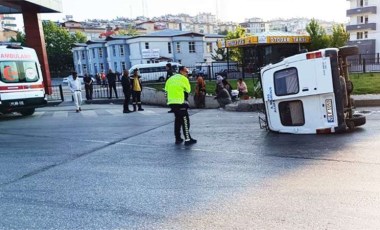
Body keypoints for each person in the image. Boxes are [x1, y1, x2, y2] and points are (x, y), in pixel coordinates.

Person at [165, 66, 197, 145]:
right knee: (185, 121)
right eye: (186, 71)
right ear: (181, 71)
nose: (187, 73)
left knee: (178, 120)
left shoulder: (170, 79)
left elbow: (166, 90)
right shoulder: (184, 79)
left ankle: (178, 138)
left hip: (172, 103)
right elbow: (188, 90)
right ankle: (187, 139)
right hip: (181, 102)